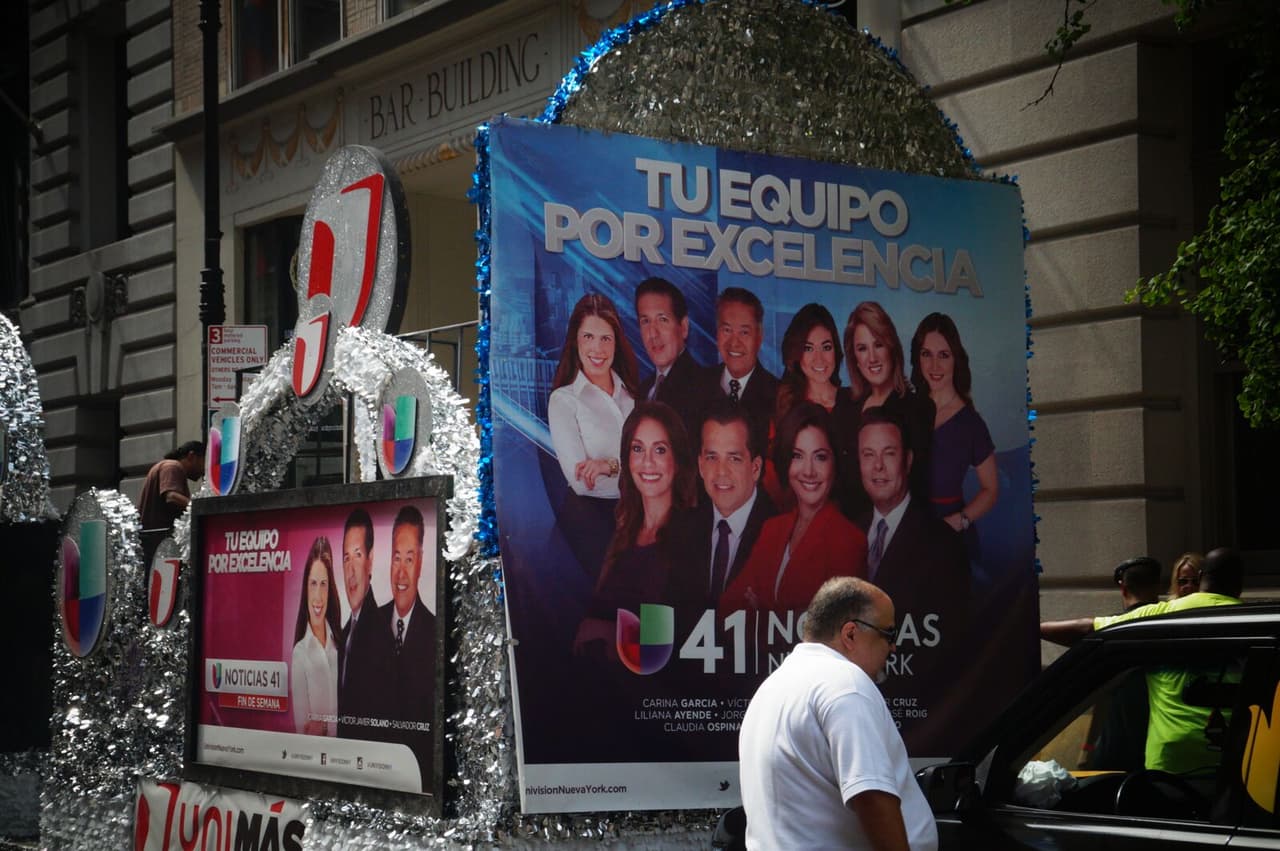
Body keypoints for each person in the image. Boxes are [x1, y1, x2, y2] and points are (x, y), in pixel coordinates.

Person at [738, 576, 938, 851]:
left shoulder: (773, 687)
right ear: (851, 634)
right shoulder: (846, 684)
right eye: (889, 634)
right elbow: (871, 794)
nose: (893, 647)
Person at [1041, 548, 1244, 775]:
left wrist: (1030, 627)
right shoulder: (1253, 620)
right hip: (1239, 754)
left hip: (1171, 759)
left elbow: (1088, 630)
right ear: (1240, 584)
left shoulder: (1163, 616)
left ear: (1201, 577)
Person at [856, 409, 969, 753]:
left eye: (888, 454)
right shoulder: (844, 530)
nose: (878, 467)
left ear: (907, 460)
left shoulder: (942, 543)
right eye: (868, 455)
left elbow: (952, 646)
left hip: (919, 724)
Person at [572, 402, 698, 658]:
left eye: (660, 450)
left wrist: (603, 631)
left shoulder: (692, 533)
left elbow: (672, 641)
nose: (647, 462)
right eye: (637, 449)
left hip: (655, 693)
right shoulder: (624, 530)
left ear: (677, 458)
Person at [721, 402, 867, 615]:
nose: (808, 471)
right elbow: (727, 608)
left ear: (835, 462)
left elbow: (830, 632)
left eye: (820, 457)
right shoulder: (772, 529)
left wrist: (762, 611)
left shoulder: (849, 540)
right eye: (797, 455)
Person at [548, 293, 639, 576]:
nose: (597, 348)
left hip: (636, 522)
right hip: (587, 529)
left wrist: (606, 466)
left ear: (616, 344)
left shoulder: (635, 397)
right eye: (588, 337)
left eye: (605, 339)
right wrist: (624, 469)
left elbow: (655, 465)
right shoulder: (564, 401)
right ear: (575, 341)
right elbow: (582, 483)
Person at [664, 401, 777, 609]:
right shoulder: (680, 530)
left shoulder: (780, 535)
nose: (721, 472)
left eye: (734, 458)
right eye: (712, 457)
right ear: (700, 465)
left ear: (755, 468)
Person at [834, 302, 934, 520]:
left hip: (891, 534)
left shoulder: (918, 408)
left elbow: (919, 491)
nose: (872, 358)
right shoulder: (844, 405)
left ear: (891, 347)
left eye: (878, 344)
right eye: (862, 348)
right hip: (846, 533)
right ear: (855, 359)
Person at [909, 313, 997, 549]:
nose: (934, 365)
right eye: (926, 354)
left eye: (943, 355)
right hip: (909, 532)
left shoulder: (971, 423)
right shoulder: (907, 409)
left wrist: (960, 521)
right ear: (918, 358)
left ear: (956, 359)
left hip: (951, 538)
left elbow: (991, 489)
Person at [368, 506, 437, 787]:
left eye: (409, 559)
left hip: (416, 777)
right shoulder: (369, 625)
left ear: (421, 562)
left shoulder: (436, 631)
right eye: (397, 558)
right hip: (368, 771)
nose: (401, 572)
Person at [1082, 556, 1163, 770]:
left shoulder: (1113, 631)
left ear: (1123, 588)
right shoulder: (1172, 624)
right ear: (1158, 586)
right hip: (1161, 747)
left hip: (1118, 745)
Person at [698, 287, 778, 452]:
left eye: (744, 332)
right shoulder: (697, 385)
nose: (734, 343)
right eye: (727, 330)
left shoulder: (778, 394)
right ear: (717, 333)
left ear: (759, 336)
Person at [337, 508, 390, 739]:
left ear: (370, 559)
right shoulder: (342, 634)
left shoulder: (383, 634)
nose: (350, 570)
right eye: (345, 558)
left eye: (357, 555)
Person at [634, 277, 702, 441]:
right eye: (645, 321)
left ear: (683, 327)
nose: (653, 333)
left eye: (662, 320)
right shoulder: (643, 390)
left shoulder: (703, 388)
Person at [291, 536, 342, 736]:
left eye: (323, 584)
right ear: (305, 588)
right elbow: (302, 730)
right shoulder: (300, 653)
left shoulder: (342, 643)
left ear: (331, 590)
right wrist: (324, 727)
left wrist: (320, 724)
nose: (318, 596)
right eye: (313, 584)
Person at [138, 440, 205, 530]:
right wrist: (201, 508)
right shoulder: (172, 466)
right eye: (204, 462)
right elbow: (171, 496)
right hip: (156, 538)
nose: (204, 470)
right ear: (191, 456)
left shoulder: (169, 466)